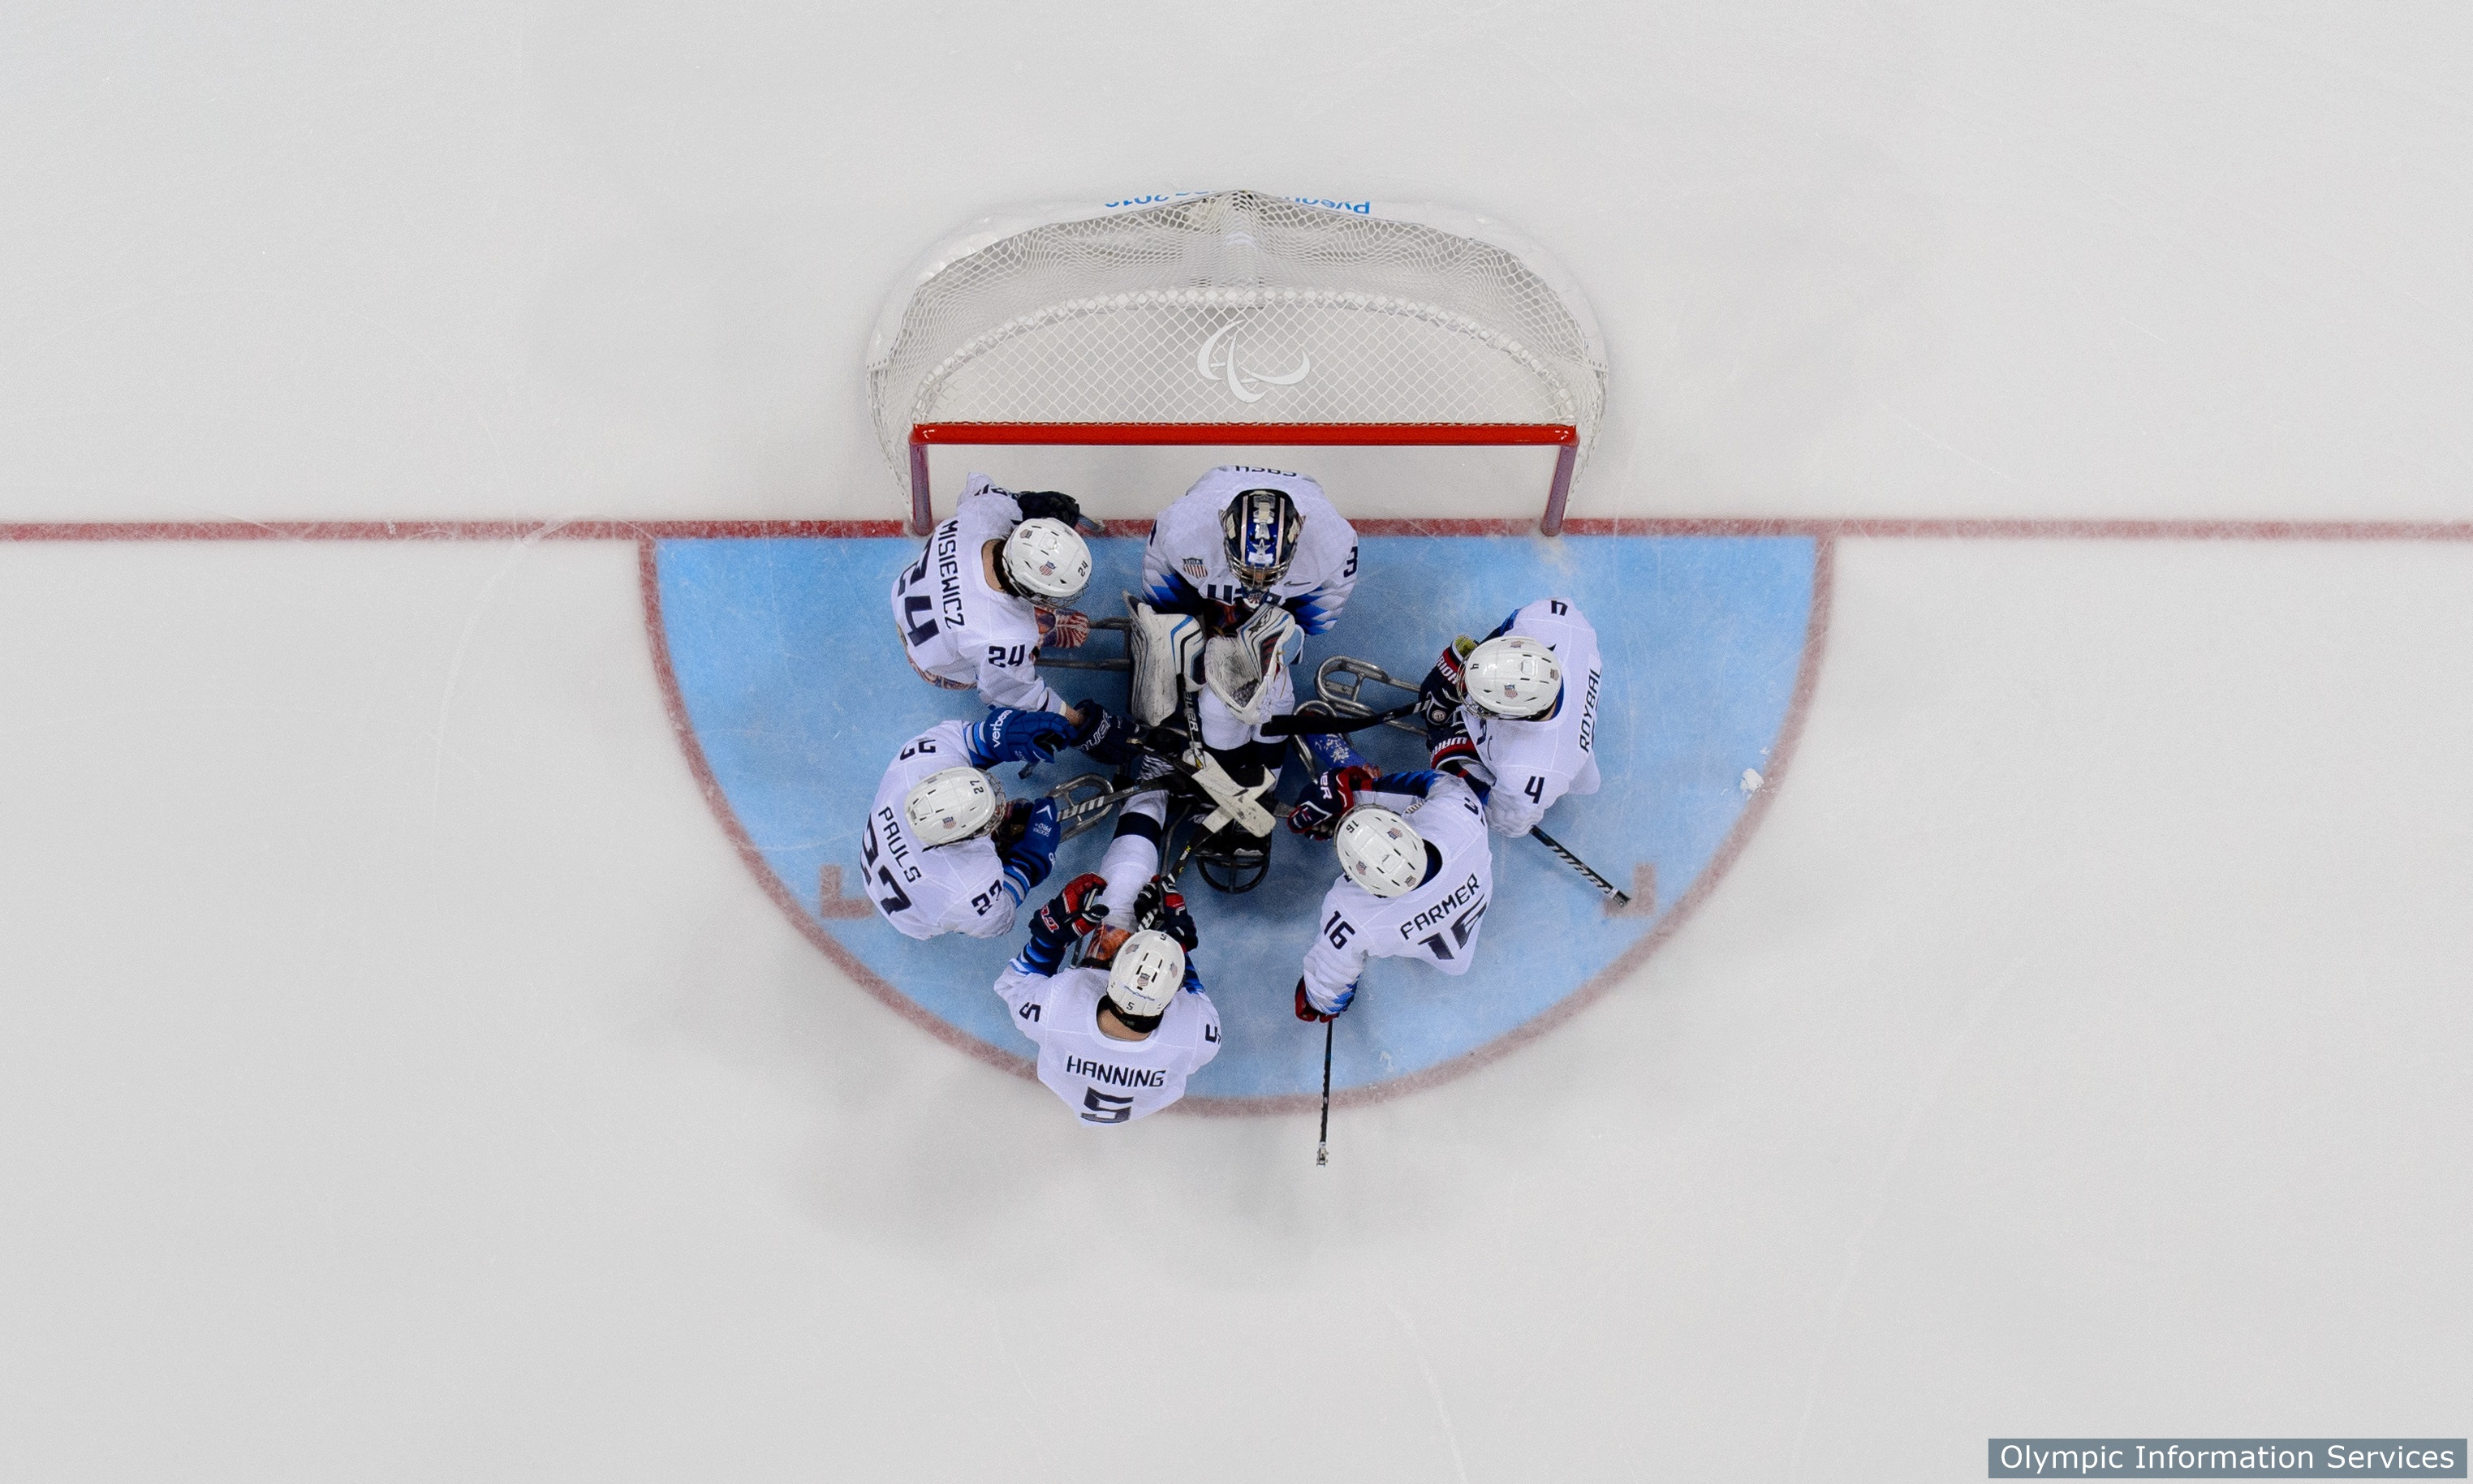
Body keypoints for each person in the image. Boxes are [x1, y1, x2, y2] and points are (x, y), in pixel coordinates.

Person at [1135, 466, 1359, 887]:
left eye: (1269, 576)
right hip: (1208, 570)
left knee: (1274, 689)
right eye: (1248, 571)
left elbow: (1312, 620)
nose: (1257, 584)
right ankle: (1229, 771)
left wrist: (1271, 648)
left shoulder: (1333, 543)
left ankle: (1259, 779)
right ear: (1223, 529)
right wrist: (1197, 649)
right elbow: (1165, 608)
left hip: (1275, 609)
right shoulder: (1181, 530)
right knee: (1200, 684)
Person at [861, 705, 1137, 940]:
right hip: (916, 918)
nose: (1003, 807)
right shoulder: (967, 884)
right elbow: (1000, 917)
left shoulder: (916, 765)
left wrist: (1006, 734)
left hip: (899, 868)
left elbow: (968, 740)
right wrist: (1029, 862)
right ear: (961, 840)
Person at [1283, 746, 1495, 1022]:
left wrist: (1349, 792)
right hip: (1459, 938)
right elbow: (1442, 784)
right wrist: (1361, 790)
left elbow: (1330, 983)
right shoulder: (1459, 819)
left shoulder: (1351, 909)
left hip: (1423, 941)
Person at [993, 873, 1220, 1125]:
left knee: (1120, 907)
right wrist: (1174, 944)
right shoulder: (1198, 1032)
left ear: (1109, 977)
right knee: (1124, 919)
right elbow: (1189, 990)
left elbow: (1013, 984)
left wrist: (1050, 939)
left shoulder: (1058, 1007)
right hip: (1119, 1088)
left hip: (1075, 1067)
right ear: (1170, 1002)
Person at [890, 474, 1110, 725]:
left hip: (914, 597)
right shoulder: (1004, 636)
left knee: (999, 632)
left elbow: (977, 485)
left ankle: (1030, 636)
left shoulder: (982, 515)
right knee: (1014, 646)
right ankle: (1040, 634)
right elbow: (1013, 697)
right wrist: (1080, 723)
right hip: (933, 664)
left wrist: (1022, 502)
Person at [1416, 597, 1603, 837]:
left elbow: (1509, 824)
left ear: (1514, 716)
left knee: (1453, 784)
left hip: (1545, 770)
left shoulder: (1528, 772)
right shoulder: (1556, 620)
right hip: (1544, 750)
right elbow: (1508, 628)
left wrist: (1454, 767)